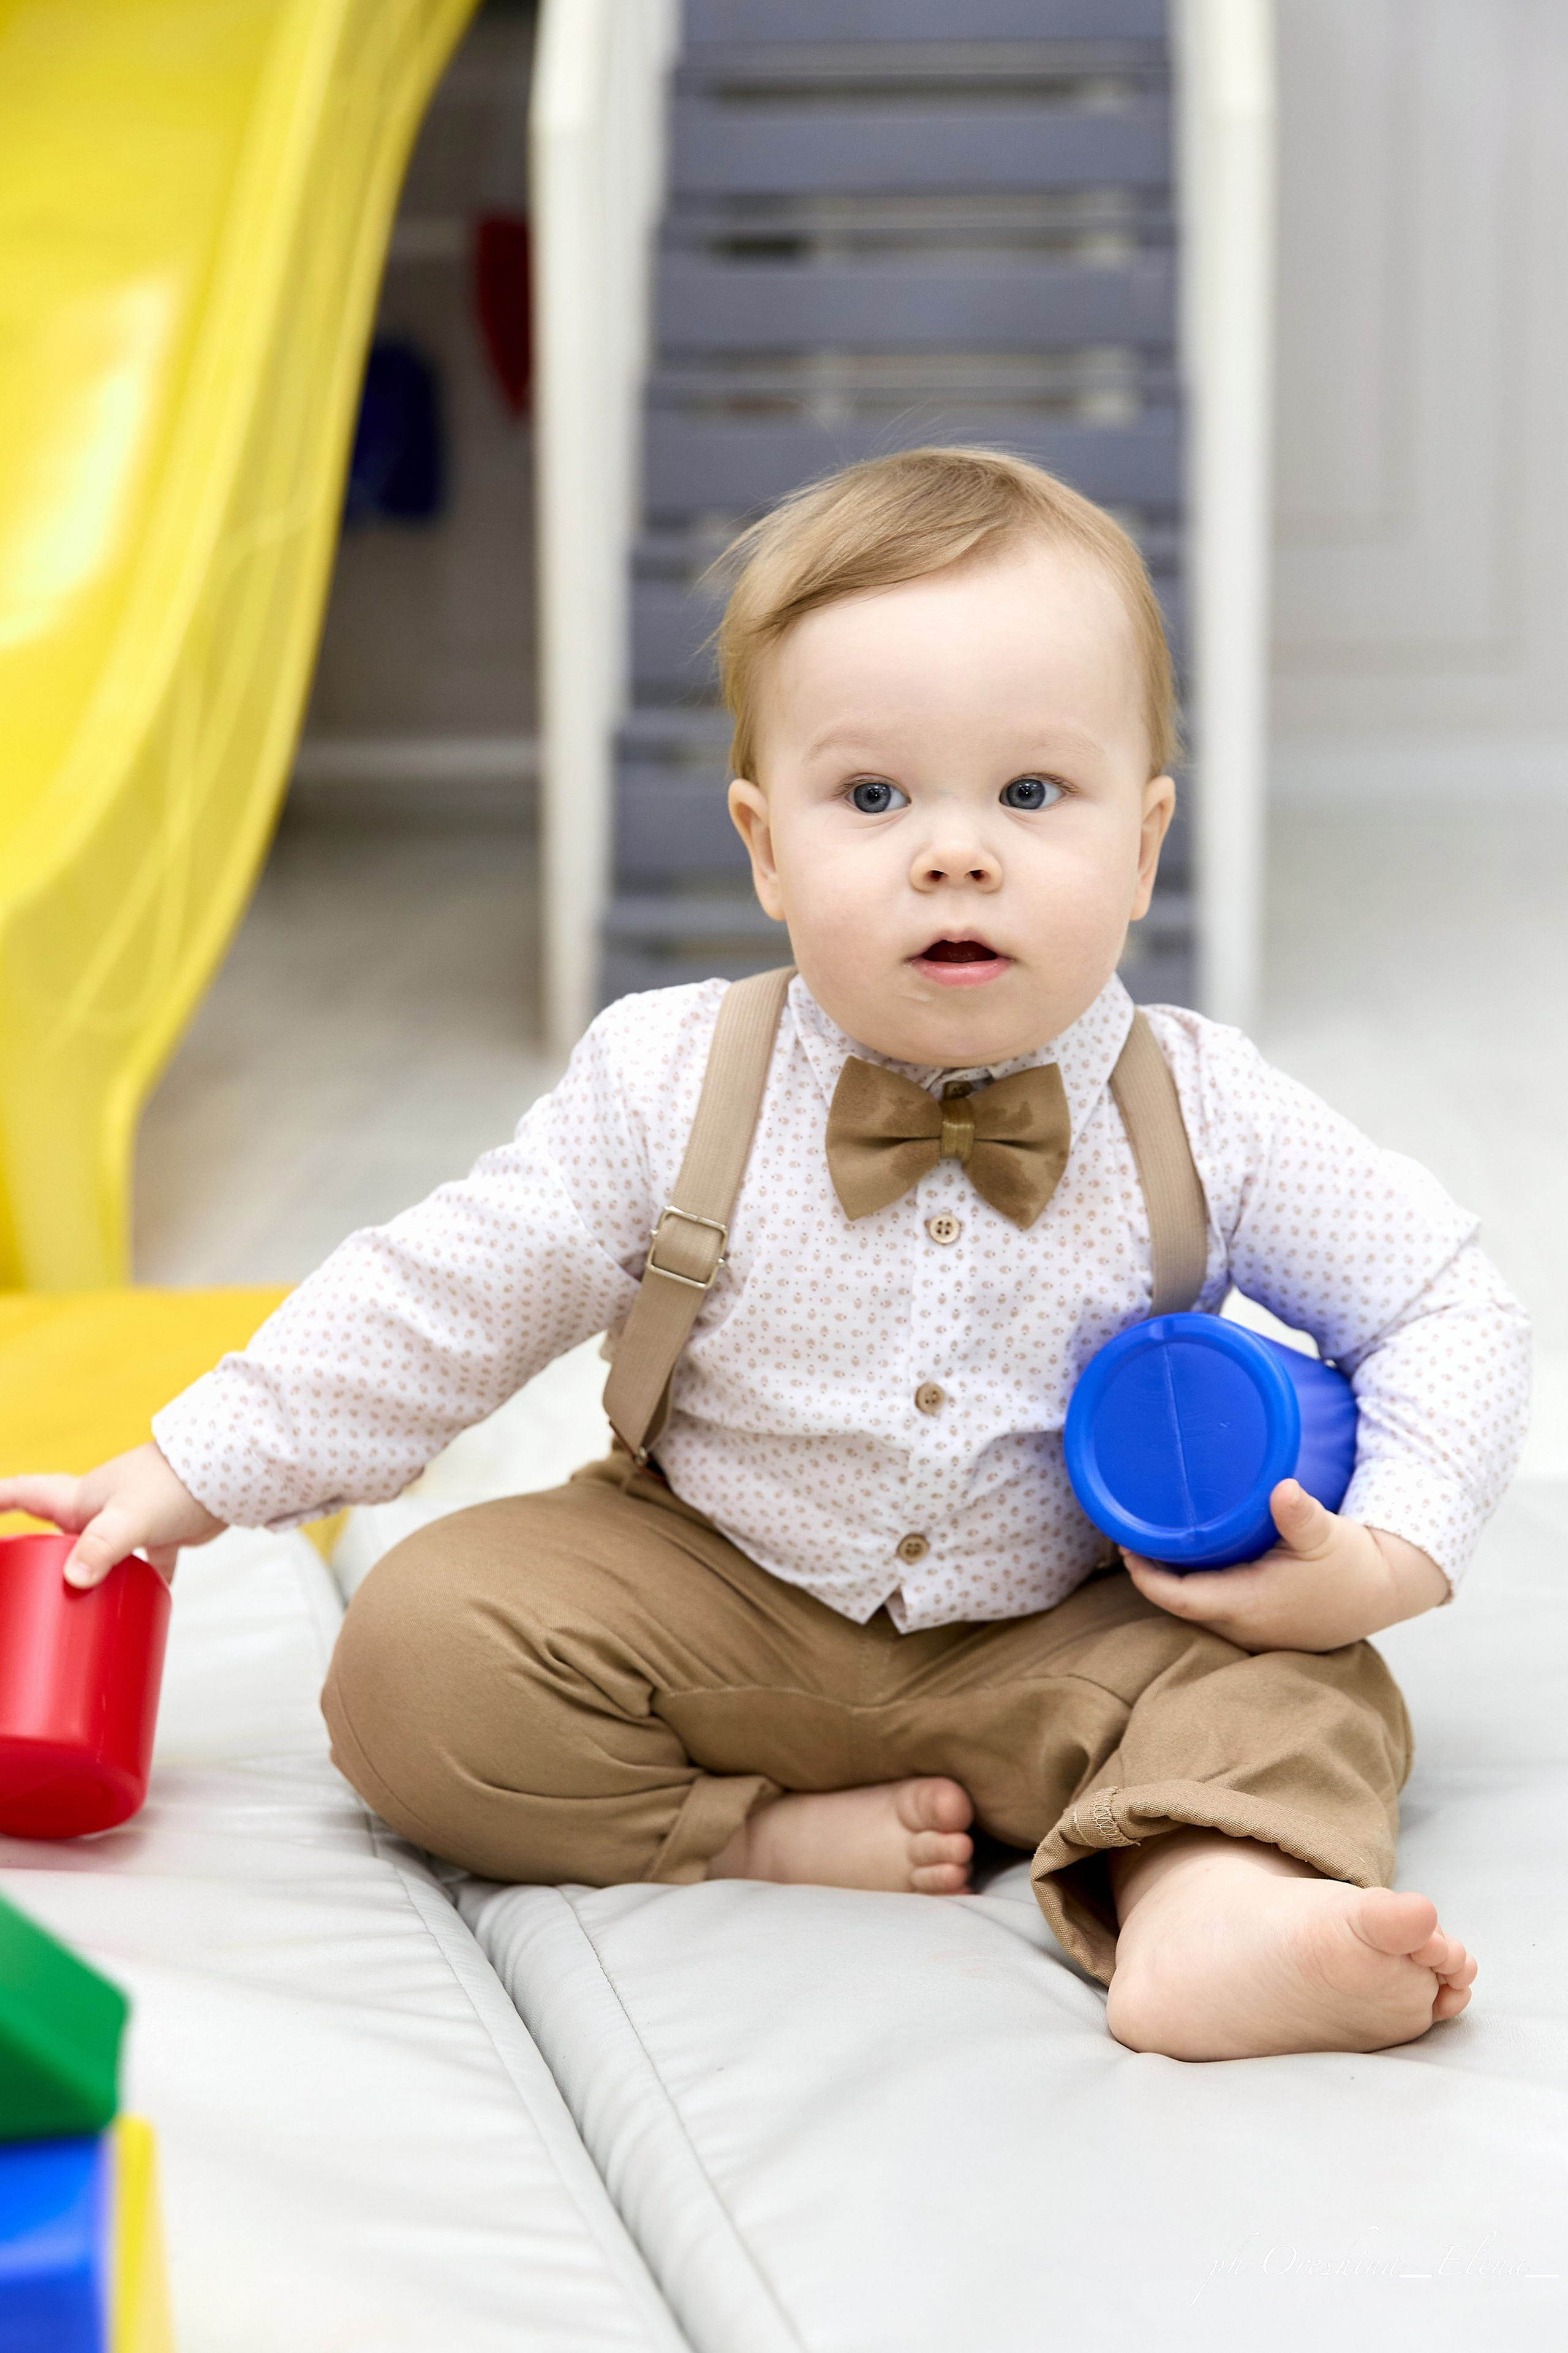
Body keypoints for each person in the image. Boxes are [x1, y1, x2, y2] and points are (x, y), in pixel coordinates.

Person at [0, 448, 1528, 2063]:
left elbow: (1442, 1294)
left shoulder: (1210, 1108)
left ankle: (1207, 1901)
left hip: (1068, 1632)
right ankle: (734, 1832)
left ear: (1144, 845)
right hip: (713, 1592)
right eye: (874, 797)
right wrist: (191, 1468)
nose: (956, 852)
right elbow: (443, 1291)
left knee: (1312, 1689)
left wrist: (1394, 1547)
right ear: (765, 846)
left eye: (1030, 795)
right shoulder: (672, 1081)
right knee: (414, 1651)